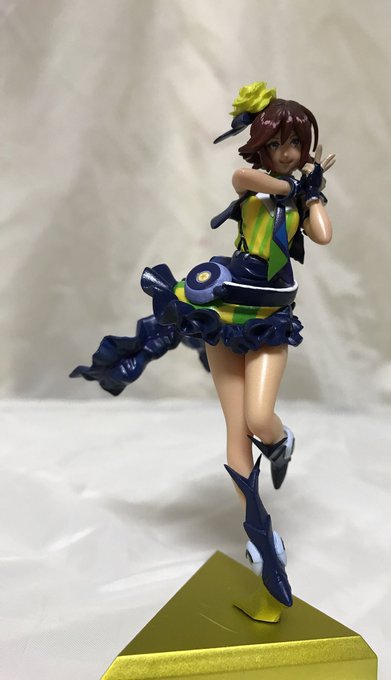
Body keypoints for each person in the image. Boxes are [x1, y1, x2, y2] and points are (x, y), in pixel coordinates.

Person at [71, 82, 335, 615]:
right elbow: (247, 177)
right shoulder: (252, 185)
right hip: (225, 314)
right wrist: (294, 184)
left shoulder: (298, 199)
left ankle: (281, 442)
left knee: (259, 418)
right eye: (277, 143)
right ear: (261, 146)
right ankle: (259, 535)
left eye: (295, 143)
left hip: (269, 320)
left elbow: (324, 234)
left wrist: (313, 193)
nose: (288, 153)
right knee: (235, 432)